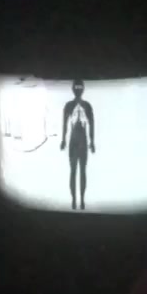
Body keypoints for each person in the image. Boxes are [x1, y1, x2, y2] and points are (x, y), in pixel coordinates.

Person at [60, 80, 95, 211]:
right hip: (74, 141)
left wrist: (92, 141)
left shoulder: (87, 106)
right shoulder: (69, 106)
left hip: (82, 141)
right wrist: (63, 139)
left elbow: (92, 124)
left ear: (83, 89)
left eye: (80, 87)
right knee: (73, 171)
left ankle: (82, 199)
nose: (78, 89)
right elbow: (64, 124)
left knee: (82, 171)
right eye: (76, 87)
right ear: (73, 89)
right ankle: (74, 200)